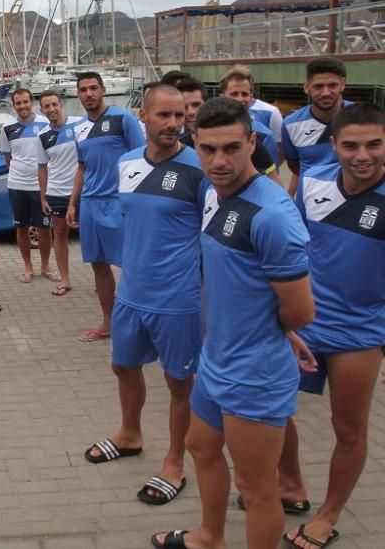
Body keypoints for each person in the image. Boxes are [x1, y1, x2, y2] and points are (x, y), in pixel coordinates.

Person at [152, 97, 314, 549]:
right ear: (194, 146)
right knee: (200, 446)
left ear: (253, 143)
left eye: (231, 148)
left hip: (254, 372)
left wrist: (276, 332)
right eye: (208, 150)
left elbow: (301, 310)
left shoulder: (273, 216)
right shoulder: (213, 194)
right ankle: (209, 536)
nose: (219, 161)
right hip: (217, 358)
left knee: (256, 487)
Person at [83, 85, 205, 508]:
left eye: (180, 116)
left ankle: (176, 461)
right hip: (132, 293)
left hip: (178, 299)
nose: (174, 124)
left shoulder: (198, 168)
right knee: (123, 366)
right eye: (164, 116)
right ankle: (130, 434)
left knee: (179, 384)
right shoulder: (126, 162)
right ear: (144, 117)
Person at [276, 104, 384, 549]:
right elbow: (293, 249)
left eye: (374, 144)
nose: (363, 155)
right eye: (352, 144)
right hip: (303, 323)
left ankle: (328, 514)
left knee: (348, 429)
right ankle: (291, 484)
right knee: (273, 410)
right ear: (334, 145)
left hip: (360, 333)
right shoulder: (315, 180)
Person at [65, 72, 145, 341]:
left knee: (132, 265)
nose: (88, 94)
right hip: (90, 204)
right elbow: (82, 167)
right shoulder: (78, 129)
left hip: (119, 204)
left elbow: (141, 160)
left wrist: (136, 203)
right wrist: (73, 203)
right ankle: (108, 323)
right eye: (83, 90)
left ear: (103, 90)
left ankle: (142, 322)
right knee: (98, 265)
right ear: (78, 94)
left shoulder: (123, 119)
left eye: (93, 88)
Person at [177, 76, 278, 183]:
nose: (191, 112)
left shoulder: (246, 143)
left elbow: (275, 187)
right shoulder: (179, 148)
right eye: (184, 107)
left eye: (196, 105)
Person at [0, 87, 53, 283]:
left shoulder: (46, 123)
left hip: (41, 187)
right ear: (14, 106)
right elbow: (8, 159)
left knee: (45, 228)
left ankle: (45, 265)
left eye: (25, 102)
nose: (22, 106)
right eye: (18, 103)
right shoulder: (7, 127)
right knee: (21, 227)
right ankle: (27, 266)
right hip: (17, 185)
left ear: (32, 103)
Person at [282, 56, 350, 196]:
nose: (325, 93)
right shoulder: (290, 124)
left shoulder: (361, 118)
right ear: (307, 87)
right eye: (318, 86)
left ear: (342, 84)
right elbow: (295, 166)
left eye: (332, 85)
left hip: (353, 201)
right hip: (309, 201)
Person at [37, 90, 81, 297]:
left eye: (54, 104)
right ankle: (65, 279)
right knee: (60, 234)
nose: (51, 109)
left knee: (94, 235)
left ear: (61, 104)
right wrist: (43, 196)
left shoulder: (79, 125)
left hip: (82, 191)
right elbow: (42, 168)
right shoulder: (43, 136)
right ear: (42, 110)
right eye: (47, 106)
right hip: (57, 193)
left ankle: (104, 278)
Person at [219, 65, 281, 176]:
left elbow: (271, 178)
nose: (240, 99)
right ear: (222, 97)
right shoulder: (209, 129)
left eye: (244, 94)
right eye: (234, 94)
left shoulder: (264, 135)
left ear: (251, 97)